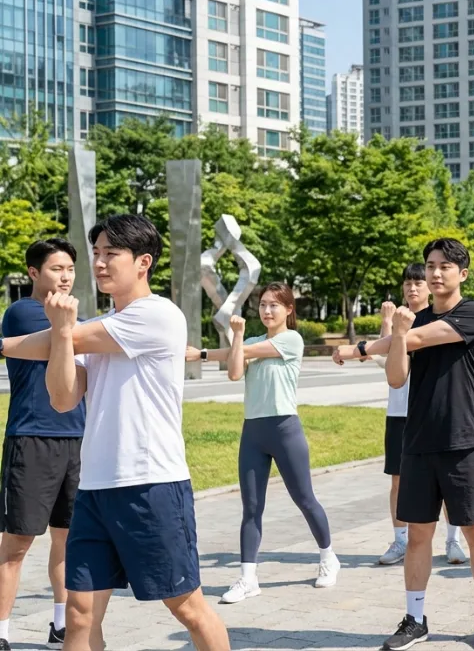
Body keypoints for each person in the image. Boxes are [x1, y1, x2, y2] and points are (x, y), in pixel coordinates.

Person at [0, 214, 230, 651]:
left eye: (112, 254)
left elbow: (68, 338)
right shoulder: (96, 328)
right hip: (95, 487)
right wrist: (64, 336)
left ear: (143, 262)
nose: (100, 263)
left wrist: (41, 338)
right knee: (79, 613)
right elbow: (64, 397)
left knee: (188, 608)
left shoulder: (157, 315)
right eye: (97, 253)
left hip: (150, 485)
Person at [335, 238, 474, 650]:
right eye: (430, 265)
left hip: (463, 442)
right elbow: (396, 377)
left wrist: (361, 348)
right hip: (419, 443)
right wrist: (397, 337)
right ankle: (414, 618)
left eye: (445, 266)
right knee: (418, 535)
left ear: (462, 273)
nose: (435, 272)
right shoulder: (414, 322)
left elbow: (421, 340)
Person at [184, 283, 337, 604]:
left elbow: (241, 354)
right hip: (253, 432)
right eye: (263, 305)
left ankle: (328, 558)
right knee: (251, 508)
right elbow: (234, 372)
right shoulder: (250, 340)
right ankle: (248, 578)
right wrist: (224, 343)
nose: (267, 311)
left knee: (305, 499)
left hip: (285, 429)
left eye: (274, 306)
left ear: (288, 310)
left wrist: (210, 350)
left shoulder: (292, 340)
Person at [0, 239, 92, 650]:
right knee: (17, 543)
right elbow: (62, 340)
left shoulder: (70, 316)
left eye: (70, 268)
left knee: (68, 538)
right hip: (32, 438)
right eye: (57, 268)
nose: (66, 275)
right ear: (35, 273)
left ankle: (60, 624)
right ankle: (1, 629)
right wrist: (70, 327)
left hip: (76, 438)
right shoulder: (23, 313)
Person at [372, 265, 466, 567]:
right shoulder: (400, 319)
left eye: (418, 283)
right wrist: (388, 322)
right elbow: (383, 360)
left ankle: (453, 540)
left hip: (432, 411)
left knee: (447, 481)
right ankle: (400, 539)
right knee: (398, 480)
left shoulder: (437, 321)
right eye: (408, 284)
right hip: (399, 412)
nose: (413, 289)